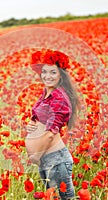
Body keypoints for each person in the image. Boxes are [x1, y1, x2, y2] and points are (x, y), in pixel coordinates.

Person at [25, 49, 80, 200]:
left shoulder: (59, 98)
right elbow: (39, 117)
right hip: (47, 159)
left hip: (56, 160)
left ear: (61, 75)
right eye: (44, 72)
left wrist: (36, 154)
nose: (47, 76)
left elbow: (50, 133)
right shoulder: (47, 92)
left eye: (53, 72)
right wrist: (31, 125)